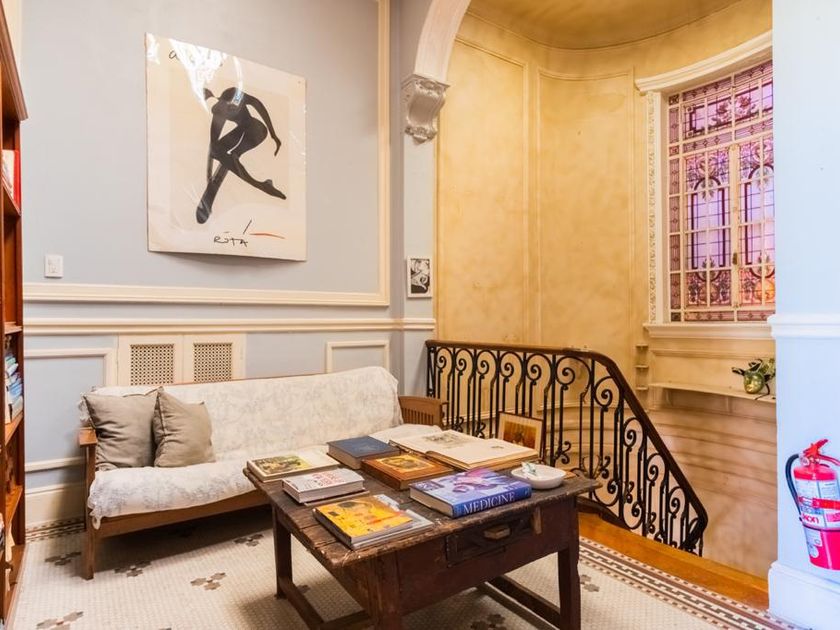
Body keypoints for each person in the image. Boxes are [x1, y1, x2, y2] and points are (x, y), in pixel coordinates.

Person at [196, 86, 286, 224]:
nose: (232, 109)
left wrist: (273, 135)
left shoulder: (237, 96)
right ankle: (261, 183)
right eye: (229, 108)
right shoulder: (219, 111)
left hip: (257, 131)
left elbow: (258, 105)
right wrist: (208, 177)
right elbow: (213, 146)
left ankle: (260, 184)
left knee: (228, 153)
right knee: (220, 150)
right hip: (242, 131)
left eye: (234, 107)